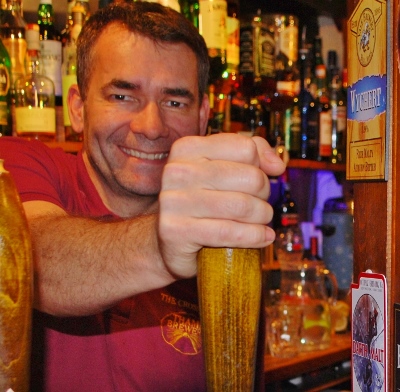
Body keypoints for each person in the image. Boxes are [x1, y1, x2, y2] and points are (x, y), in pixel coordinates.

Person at [0, 2, 285, 391]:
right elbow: (29, 267)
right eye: (122, 96)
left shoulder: (223, 245)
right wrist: (161, 246)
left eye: (175, 102)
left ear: (203, 116)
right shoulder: (18, 164)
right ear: (78, 108)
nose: (151, 127)